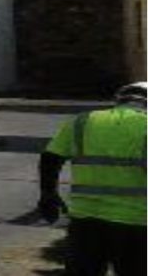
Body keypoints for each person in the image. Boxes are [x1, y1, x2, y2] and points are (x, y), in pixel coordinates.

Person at [38, 82, 147, 275]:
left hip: (85, 220)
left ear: (117, 100)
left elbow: (50, 158)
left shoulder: (82, 121)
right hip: (136, 222)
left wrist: (48, 194)